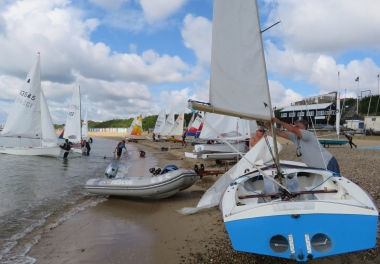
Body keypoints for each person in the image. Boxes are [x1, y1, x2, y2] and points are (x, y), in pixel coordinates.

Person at [264, 118, 340, 174]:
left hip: (327, 163)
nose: (295, 127)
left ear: (304, 128)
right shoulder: (295, 137)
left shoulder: (307, 134)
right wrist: (268, 125)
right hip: (316, 167)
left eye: (297, 126)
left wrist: (279, 121)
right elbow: (279, 133)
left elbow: (293, 129)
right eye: (295, 126)